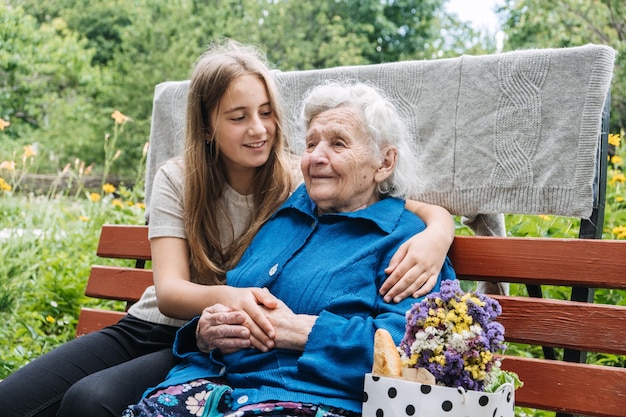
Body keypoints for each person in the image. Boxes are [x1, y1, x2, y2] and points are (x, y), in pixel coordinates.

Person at [0, 40, 452, 417]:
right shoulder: (204, 182)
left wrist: (437, 226)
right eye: (238, 117)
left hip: (252, 370)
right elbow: (175, 293)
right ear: (208, 126)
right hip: (171, 330)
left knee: (93, 400)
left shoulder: (302, 182)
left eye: (266, 113)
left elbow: (383, 203)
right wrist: (220, 318)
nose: (259, 130)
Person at [123, 81, 457, 417]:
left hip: (306, 399)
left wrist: (297, 330)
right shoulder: (287, 215)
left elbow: (408, 354)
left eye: (338, 144)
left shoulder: (406, 242)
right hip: (209, 387)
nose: (316, 157)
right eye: (311, 144)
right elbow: (232, 298)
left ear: (384, 163)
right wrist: (205, 331)